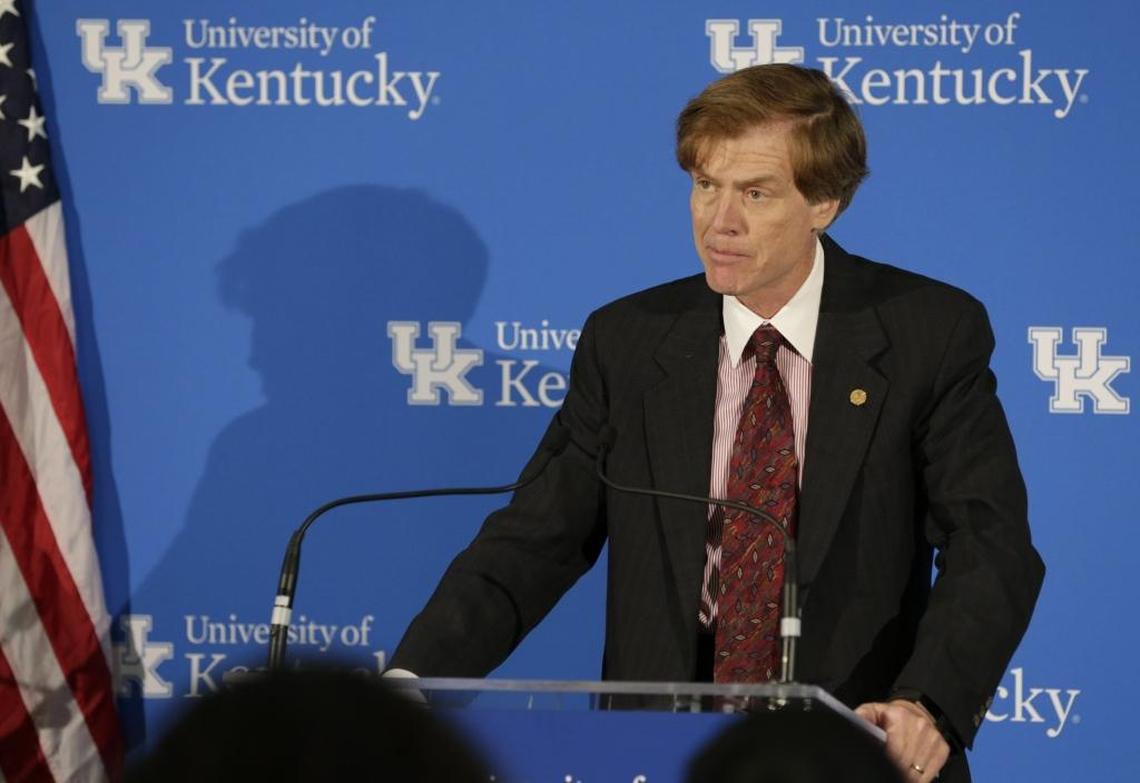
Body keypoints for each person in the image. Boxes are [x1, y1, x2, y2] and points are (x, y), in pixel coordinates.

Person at [390, 64, 1044, 782]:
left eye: (755, 193)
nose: (718, 221)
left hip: (856, 748)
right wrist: (413, 679)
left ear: (824, 201)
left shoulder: (928, 332)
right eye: (706, 185)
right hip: (660, 757)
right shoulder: (629, 341)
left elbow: (992, 540)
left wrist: (926, 704)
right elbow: (536, 538)